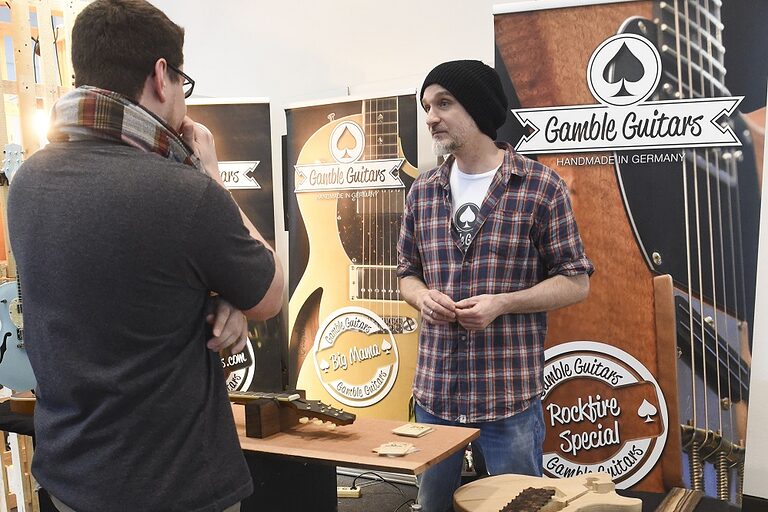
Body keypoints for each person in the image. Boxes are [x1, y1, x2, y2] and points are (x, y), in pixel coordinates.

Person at [7, 1, 283, 511]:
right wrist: (211, 173)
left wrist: (221, 298)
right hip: (177, 485)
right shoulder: (185, 193)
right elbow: (270, 293)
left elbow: (127, 289)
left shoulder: (28, 182)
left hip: (70, 477)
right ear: (161, 75)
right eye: (183, 81)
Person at [396, 59, 594, 512]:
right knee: (432, 508)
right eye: (427, 105)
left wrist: (503, 303)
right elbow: (406, 274)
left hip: (507, 397)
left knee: (519, 507)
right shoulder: (423, 191)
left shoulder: (540, 187)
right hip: (436, 395)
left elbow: (576, 281)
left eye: (443, 103)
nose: (430, 117)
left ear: (479, 108)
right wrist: (423, 297)